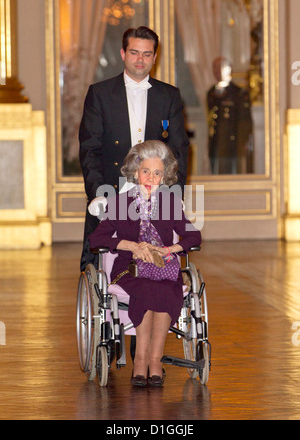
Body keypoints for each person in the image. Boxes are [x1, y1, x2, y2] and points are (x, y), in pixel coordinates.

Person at [88, 141, 201, 386]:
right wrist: (132, 246)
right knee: (148, 288)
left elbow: (194, 236)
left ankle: (155, 360)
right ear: (136, 172)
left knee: (166, 289)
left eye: (157, 172)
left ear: (165, 176)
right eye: (146, 171)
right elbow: (97, 238)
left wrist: (169, 249)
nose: (151, 177)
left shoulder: (170, 204)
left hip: (163, 269)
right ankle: (140, 360)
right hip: (129, 270)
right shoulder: (120, 203)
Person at [79, 26, 190, 273]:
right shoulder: (100, 94)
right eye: (134, 52)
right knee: (109, 260)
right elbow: (90, 149)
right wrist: (98, 192)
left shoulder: (169, 95)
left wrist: (175, 192)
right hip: (112, 189)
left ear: (154, 57)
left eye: (147, 54)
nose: (140, 59)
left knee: (156, 260)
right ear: (123, 53)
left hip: (154, 191)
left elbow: (179, 149)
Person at [207, 56, 253, 174]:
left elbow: (244, 122)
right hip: (216, 141)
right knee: (216, 172)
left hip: (232, 142)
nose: (217, 71)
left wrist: (241, 143)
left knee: (233, 172)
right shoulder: (211, 93)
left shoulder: (238, 93)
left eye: (220, 67)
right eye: (215, 68)